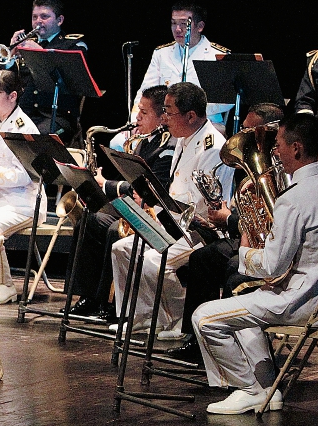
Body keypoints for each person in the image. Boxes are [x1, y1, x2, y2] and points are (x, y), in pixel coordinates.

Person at [193, 113, 318, 414]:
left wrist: (245, 243)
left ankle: (247, 388)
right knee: (241, 302)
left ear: (295, 149)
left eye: (278, 145)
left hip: (299, 303)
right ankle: (269, 388)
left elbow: (272, 267)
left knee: (204, 317)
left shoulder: (294, 198)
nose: (274, 152)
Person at [109, 82, 234, 336]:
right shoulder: (184, 136)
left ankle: (177, 321)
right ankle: (140, 317)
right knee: (121, 248)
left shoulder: (212, 146)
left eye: (168, 112)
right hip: (175, 223)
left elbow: (202, 203)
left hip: (200, 231)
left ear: (190, 116)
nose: (164, 119)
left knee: (153, 262)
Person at [165, 102, 285, 361]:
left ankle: (236, 350)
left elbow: (273, 223)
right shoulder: (248, 169)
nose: (241, 137)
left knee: (230, 267)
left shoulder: (279, 169)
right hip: (245, 237)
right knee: (203, 258)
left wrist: (229, 219)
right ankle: (196, 340)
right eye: (242, 129)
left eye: (249, 131)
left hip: (266, 244)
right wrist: (221, 216)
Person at [64, 85, 176, 319]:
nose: (137, 117)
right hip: (133, 204)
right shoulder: (145, 140)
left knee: (114, 229)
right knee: (91, 219)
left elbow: (156, 186)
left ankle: (112, 305)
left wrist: (107, 184)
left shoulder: (170, 145)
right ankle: (88, 296)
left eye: (144, 113)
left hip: (153, 211)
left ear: (161, 116)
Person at [0, 70, 45, 306]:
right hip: (0, 195)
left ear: (12, 96)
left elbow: (25, 176)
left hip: (24, 201)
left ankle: (4, 286)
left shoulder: (24, 128)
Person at [133, 1, 232, 127]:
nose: (178, 29)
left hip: (205, 121)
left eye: (184, 24)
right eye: (174, 23)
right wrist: (137, 121)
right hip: (164, 121)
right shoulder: (161, 53)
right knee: (118, 142)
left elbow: (227, 100)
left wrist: (193, 111)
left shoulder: (217, 55)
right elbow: (145, 92)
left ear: (200, 26)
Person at [2, 0, 88, 139]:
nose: (38, 21)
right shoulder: (27, 44)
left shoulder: (73, 46)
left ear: (59, 20)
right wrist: (10, 56)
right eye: (34, 17)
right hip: (23, 114)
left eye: (44, 16)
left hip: (57, 117)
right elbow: (4, 82)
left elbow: (69, 79)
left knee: (36, 137)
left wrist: (40, 54)